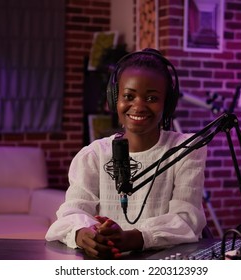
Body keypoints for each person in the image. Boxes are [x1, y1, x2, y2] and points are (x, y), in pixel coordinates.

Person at [45, 48, 208, 259]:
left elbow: (186, 219)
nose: (138, 106)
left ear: (167, 104)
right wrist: (83, 234)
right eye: (129, 96)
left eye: (151, 98)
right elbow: (71, 213)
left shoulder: (184, 150)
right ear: (115, 100)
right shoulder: (95, 155)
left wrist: (133, 238)